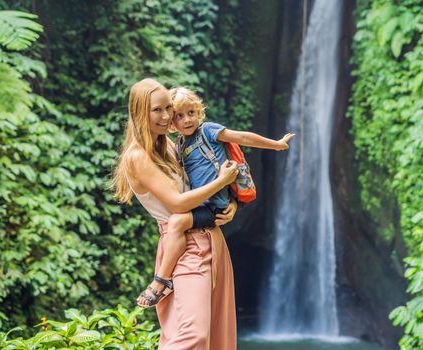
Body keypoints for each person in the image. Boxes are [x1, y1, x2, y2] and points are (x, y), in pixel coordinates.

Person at [140, 86, 295, 309]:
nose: (186, 120)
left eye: (191, 113)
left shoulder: (209, 131)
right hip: (200, 202)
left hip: (213, 205)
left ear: (199, 112)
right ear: (171, 124)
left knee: (177, 223)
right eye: (179, 116)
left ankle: (161, 280)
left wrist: (276, 144)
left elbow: (241, 137)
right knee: (178, 222)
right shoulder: (181, 145)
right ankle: (165, 276)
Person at [113, 78, 238, 349]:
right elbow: (179, 203)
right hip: (185, 247)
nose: (167, 116)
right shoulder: (137, 156)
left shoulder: (170, 145)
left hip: (211, 238)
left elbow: (205, 181)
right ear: (138, 113)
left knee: (218, 335)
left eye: (168, 108)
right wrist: (223, 181)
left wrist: (232, 205)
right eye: (157, 110)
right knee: (193, 336)